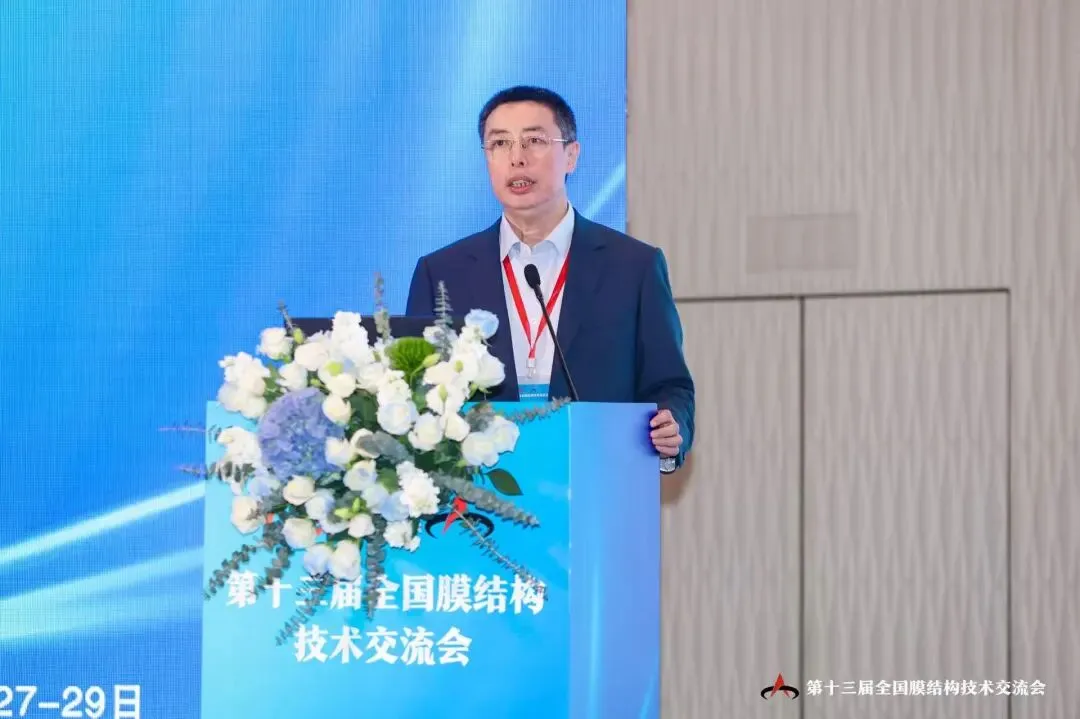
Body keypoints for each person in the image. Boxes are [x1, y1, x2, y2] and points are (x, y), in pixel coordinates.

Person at [406, 86, 694, 473]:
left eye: (535, 141)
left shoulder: (633, 266)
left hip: (597, 477)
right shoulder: (441, 273)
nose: (517, 158)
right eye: (500, 144)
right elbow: (419, 393)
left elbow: (670, 384)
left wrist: (671, 427)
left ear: (571, 155)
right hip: (480, 486)